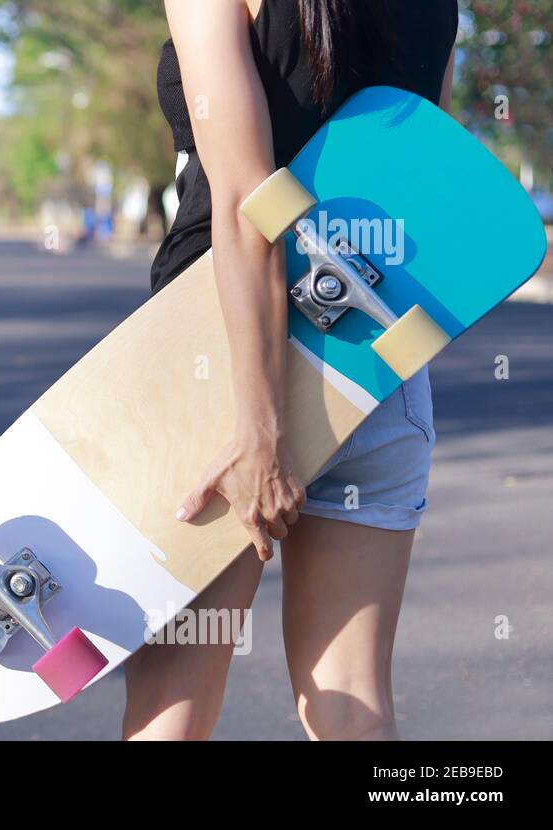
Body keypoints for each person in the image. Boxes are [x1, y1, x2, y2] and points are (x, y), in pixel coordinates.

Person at [126, 0, 459, 740]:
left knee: (172, 707)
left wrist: (261, 428)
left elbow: (251, 199)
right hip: (372, 367)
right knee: (352, 707)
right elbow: (421, 172)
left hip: (218, 374)